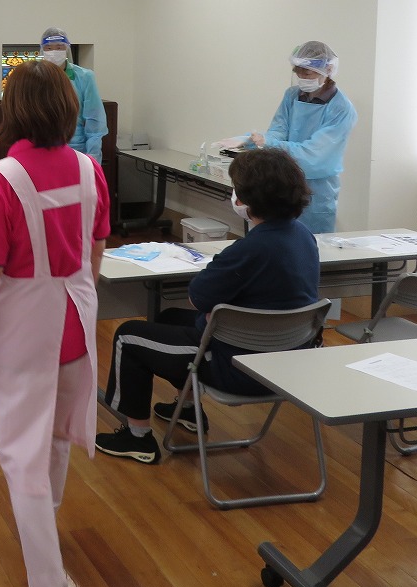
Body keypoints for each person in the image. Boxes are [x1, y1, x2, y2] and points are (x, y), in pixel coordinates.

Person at [0, 60, 109, 587]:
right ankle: (42, 521)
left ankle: (47, 579)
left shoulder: (1, 179)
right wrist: (81, 294)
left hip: (21, 327)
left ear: (12, 110)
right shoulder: (89, 169)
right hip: (75, 318)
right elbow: (96, 248)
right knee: (57, 435)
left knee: (22, 456)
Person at [95, 148, 320, 464]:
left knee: (128, 336)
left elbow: (198, 297)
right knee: (170, 317)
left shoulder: (248, 249)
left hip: (237, 368)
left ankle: (137, 438)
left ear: (248, 199)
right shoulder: (304, 236)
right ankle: (186, 408)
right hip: (289, 362)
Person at [248, 40, 358, 233]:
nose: (301, 77)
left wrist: (271, 143)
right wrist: (255, 141)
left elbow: (315, 155)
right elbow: (279, 129)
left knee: (313, 243)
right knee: (280, 240)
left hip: (316, 191)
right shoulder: (292, 95)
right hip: (284, 183)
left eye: (307, 73)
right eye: (298, 72)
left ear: (328, 70)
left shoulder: (341, 108)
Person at [39, 27, 106, 163]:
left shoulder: (84, 77)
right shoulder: (34, 78)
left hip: (76, 150)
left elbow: (95, 122)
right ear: (42, 50)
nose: (54, 52)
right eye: (49, 48)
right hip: (41, 149)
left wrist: (93, 159)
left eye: (59, 47)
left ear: (67, 49)